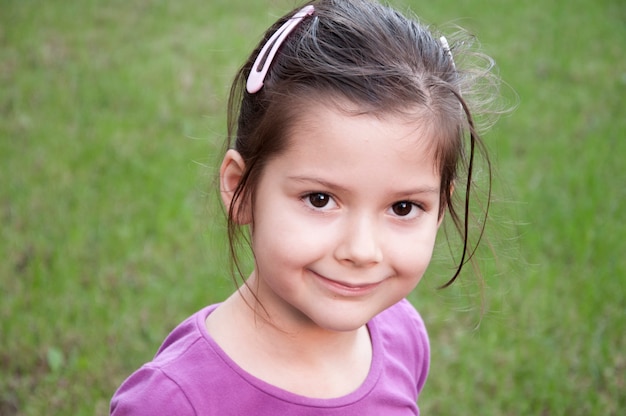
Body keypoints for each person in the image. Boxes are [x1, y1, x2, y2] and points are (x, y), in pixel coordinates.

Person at [110, 0, 502, 414]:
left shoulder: (402, 335)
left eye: (403, 207)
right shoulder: (173, 402)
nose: (361, 250)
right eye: (320, 200)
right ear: (241, 189)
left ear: (441, 207)